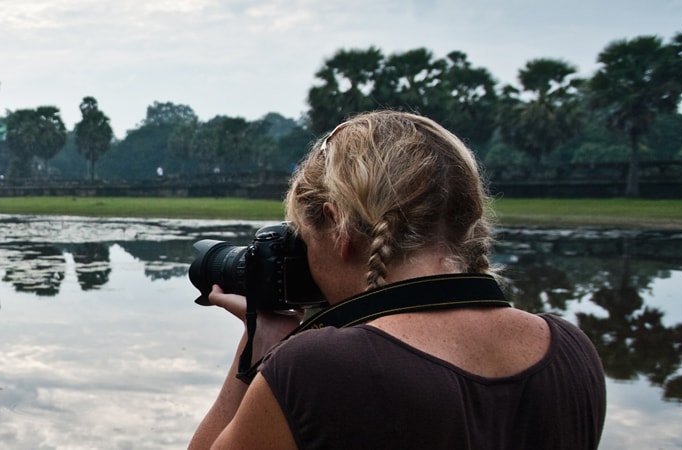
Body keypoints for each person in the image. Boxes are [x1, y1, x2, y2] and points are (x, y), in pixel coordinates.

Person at [189, 111, 605, 449]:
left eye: (306, 240)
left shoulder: (318, 366)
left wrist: (256, 352)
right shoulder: (570, 348)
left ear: (339, 227)